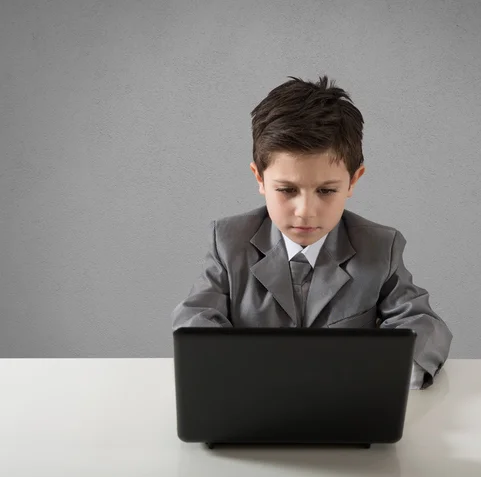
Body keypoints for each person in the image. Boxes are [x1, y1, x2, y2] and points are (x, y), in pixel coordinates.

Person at [171, 75, 452, 389]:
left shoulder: (380, 247)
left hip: (343, 406)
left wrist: (386, 372)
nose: (305, 211)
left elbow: (425, 325)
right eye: (287, 190)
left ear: (353, 180)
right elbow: (195, 318)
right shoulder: (228, 241)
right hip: (254, 405)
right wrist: (233, 367)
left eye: (326, 191)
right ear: (260, 178)